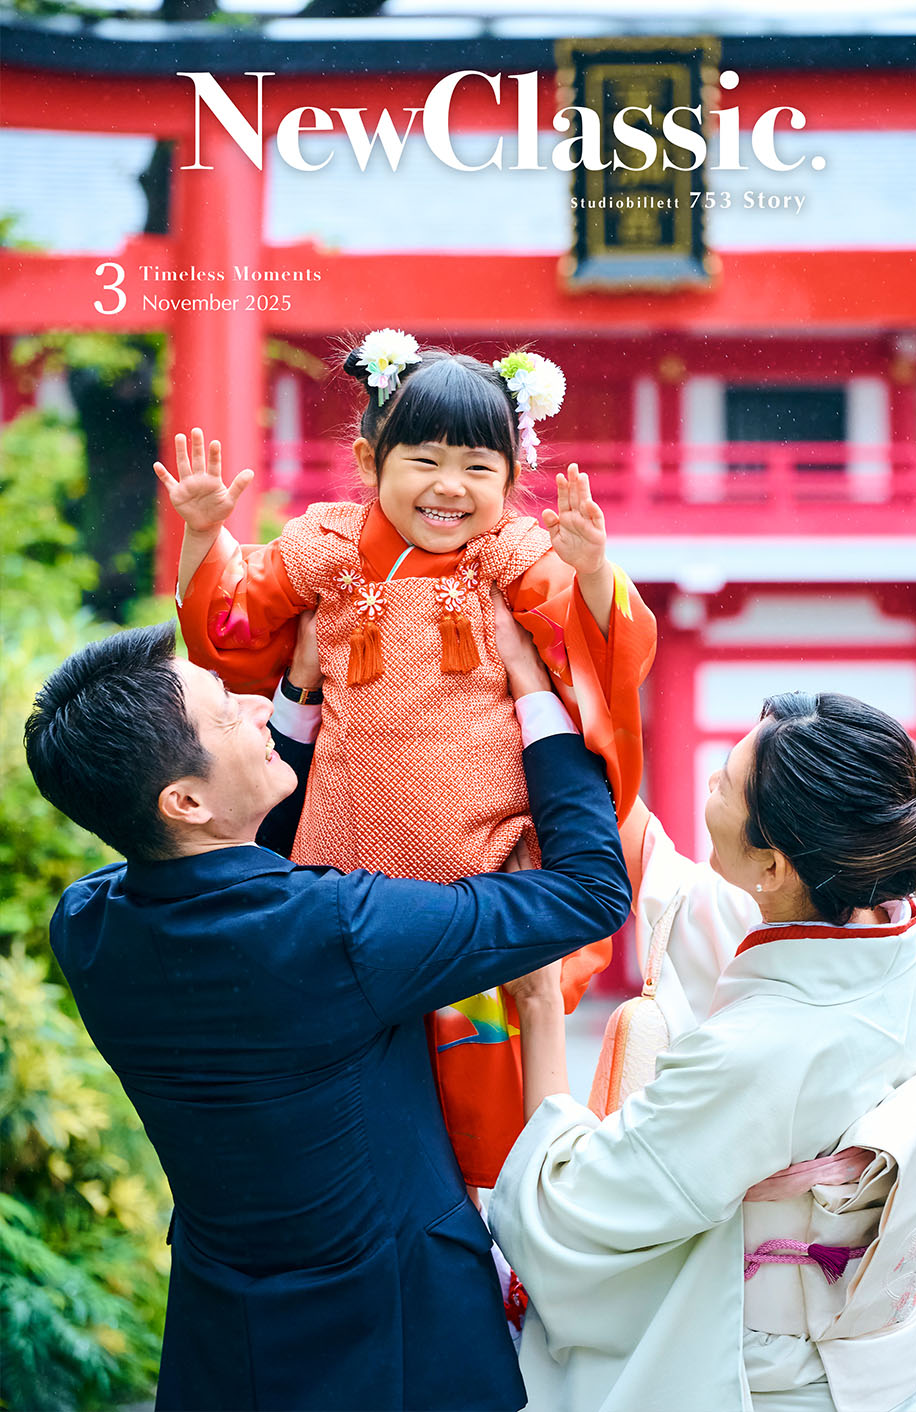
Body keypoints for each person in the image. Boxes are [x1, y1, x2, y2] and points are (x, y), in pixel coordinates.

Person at [22, 604, 632, 1412]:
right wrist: (538, 697)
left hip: (228, 1334)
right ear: (183, 801)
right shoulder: (339, 932)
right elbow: (590, 892)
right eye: (225, 709)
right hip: (400, 1332)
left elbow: (240, 876)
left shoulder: (91, 926)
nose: (250, 707)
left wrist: (299, 693)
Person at [158, 331, 656, 1187]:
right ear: (368, 457)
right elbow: (232, 630)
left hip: (482, 860)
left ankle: (507, 1228)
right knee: (353, 1083)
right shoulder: (329, 546)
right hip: (347, 857)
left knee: (482, 1086)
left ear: (512, 478)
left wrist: (596, 570)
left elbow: (602, 647)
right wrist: (207, 536)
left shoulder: (514, 557)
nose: (450, 488)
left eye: (478, 468)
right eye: (424, 459)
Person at [489, 691, 916, 1412]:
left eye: (727, 782)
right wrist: (545, 707)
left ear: (772, 868)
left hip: (773, 1381)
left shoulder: (764, 1051)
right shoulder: (890, 923)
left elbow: (565, 1214)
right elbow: (680, 890)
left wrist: (537, 1005)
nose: (711, 777)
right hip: (889, 1358)